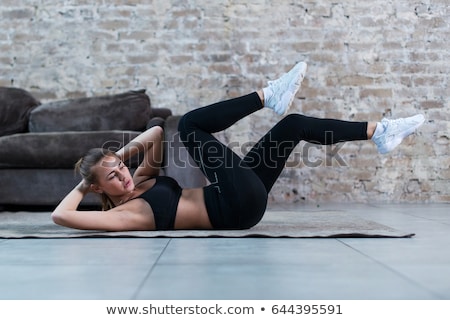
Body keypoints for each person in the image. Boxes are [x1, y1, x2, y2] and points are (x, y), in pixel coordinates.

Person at [51, 62, 425, 231]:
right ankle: (267, 95)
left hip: (242, 196)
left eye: (121, 168)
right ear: (100, 189)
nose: (124, 177)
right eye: (113, 178)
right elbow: (60, 217)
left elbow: (155, 135)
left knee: (292, 126)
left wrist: (115, 158)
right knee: (193, 124)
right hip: (234, 208)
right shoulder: (123, 216)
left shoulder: (141, 181)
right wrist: (86, 181)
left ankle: (379, 132)